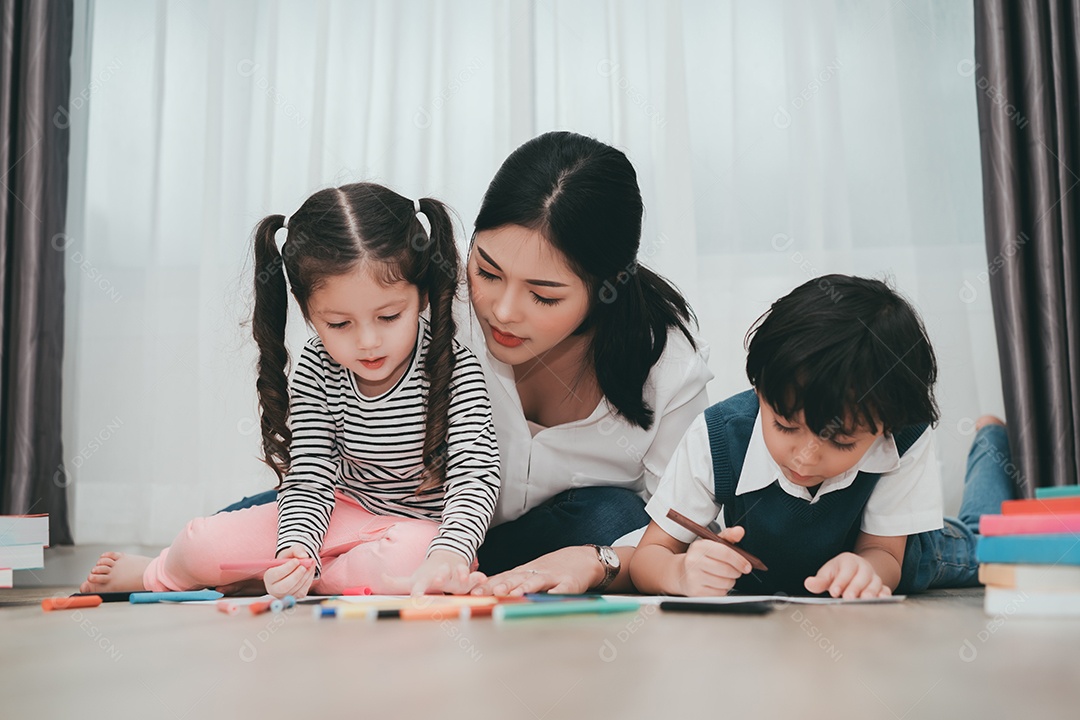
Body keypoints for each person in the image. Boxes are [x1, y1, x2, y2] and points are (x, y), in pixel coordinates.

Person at [217, 131, 714, 596]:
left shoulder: (667, 367)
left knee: (611, 515)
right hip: (396, 525)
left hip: (537, 546)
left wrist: (598, 562)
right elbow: (321, 451)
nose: (501, 311)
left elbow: (683, 528)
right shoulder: (424, 308)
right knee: (219, 544)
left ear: (608, 289)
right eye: (487, 271)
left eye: (543, 296)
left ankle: (407, 575)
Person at [79, 183, 500, 599]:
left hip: (417, 534)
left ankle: (286, 578)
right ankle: (158, 572)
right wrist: (296, 551)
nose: (368, 341)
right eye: (339, 324)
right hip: (341, 515)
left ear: (421, 296)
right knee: (199, 544)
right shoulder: (318, 365)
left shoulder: (455, 365)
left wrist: (450, 553)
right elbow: (311, 476)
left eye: (389, 316)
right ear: (308, 312)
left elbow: (474, 477)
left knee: (410, 559)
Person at [630, 275, 1016, 597]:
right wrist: (679, 572)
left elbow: (884, 552)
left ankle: (990, 441)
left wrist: (866, 569)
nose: (805, 457)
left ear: (888, 426)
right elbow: (650, 557)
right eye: (784, 426)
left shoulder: (904, 437)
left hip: (915, 555)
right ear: (760, 390)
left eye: (842, 442)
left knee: (998, 545)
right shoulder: (717, 436)